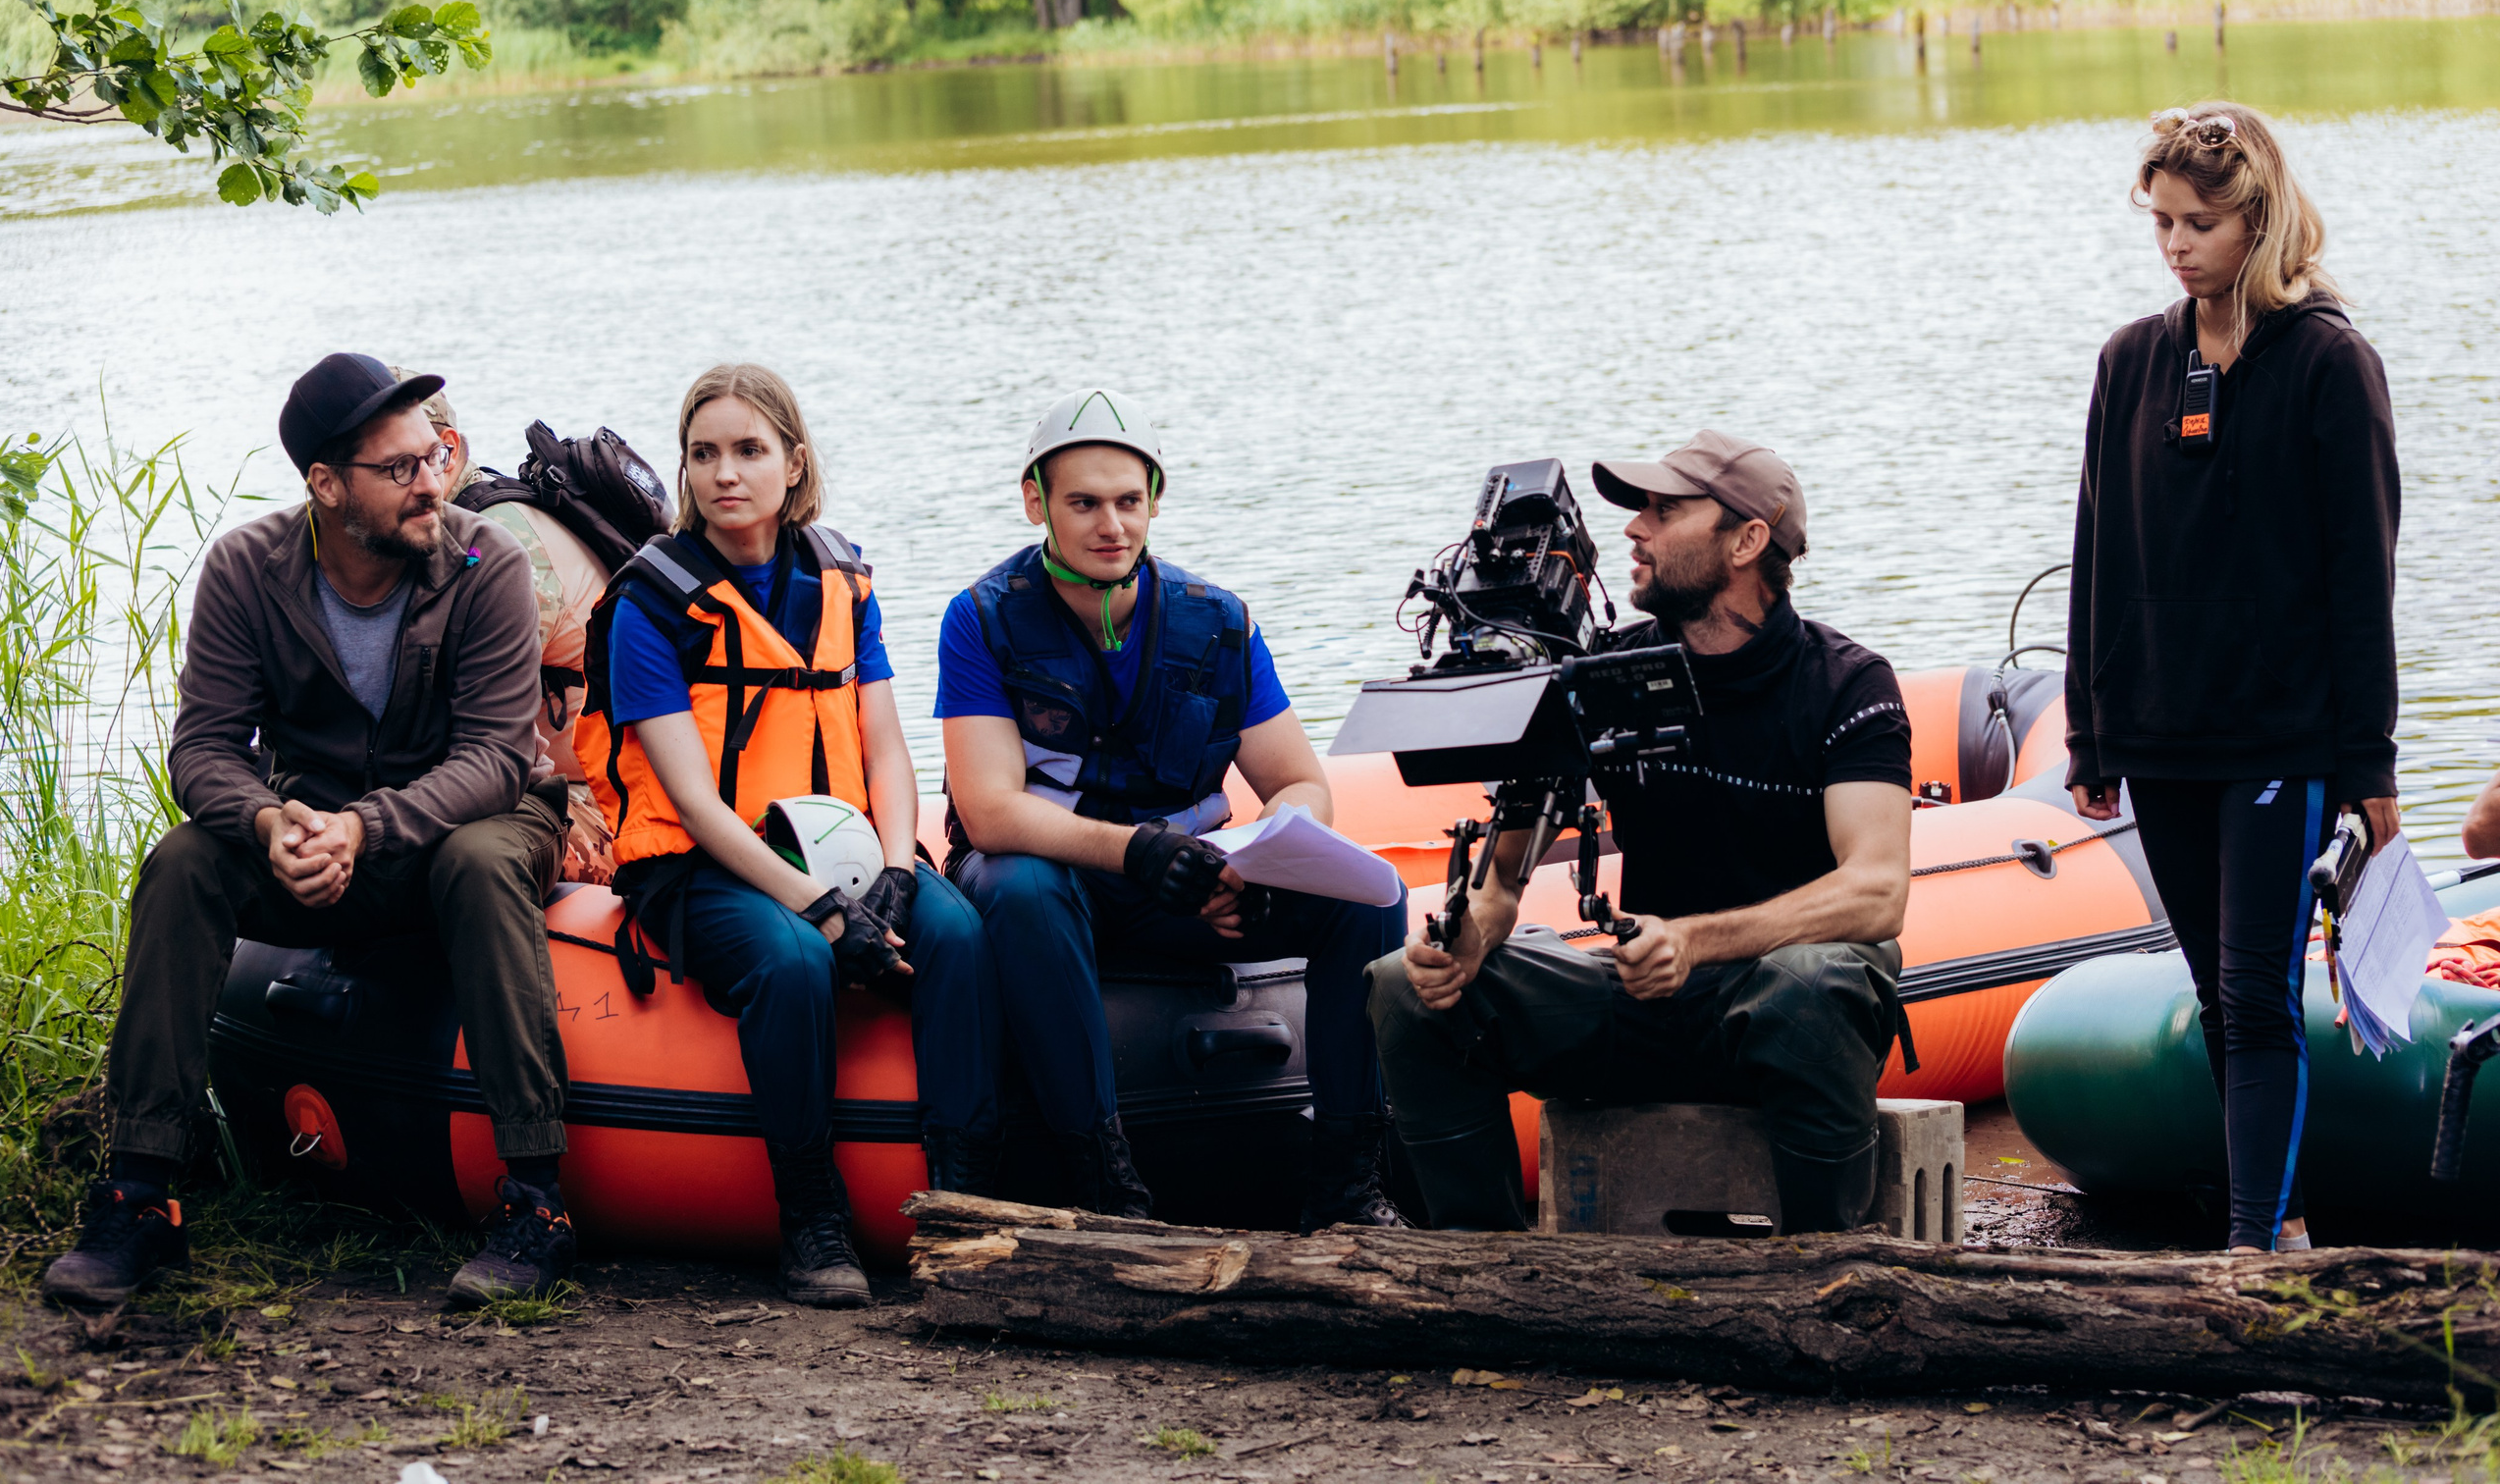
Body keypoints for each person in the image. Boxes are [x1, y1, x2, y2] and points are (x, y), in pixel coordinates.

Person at [44, 353, 578, 1310]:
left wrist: (363, 827)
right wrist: (268, 821)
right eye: (400, 468)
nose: (432, 483)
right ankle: (140, 1194)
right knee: (183, 862)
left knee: (479, 860)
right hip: (315, 829)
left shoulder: (483, 563)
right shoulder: (247, 569)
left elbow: (497, 755)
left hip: (472, 822)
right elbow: (204, 746)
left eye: (435, 456)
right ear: (327, 485)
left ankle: (535, 1200)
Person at [1366, 432, 1914, 1234]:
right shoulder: (1609, 671)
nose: (1634, 528)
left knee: (1811, 982)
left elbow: (1878, 891)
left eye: (1664, 510)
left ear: (1746, 540)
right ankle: (1484, 1271)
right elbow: (1504, 878)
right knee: (1401, 986)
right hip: (1643, 1001)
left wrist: (1692, 939)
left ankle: (1823, 1269)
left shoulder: (1848, 683)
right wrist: (1468, 936)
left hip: (1782, 1011)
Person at [573, 363, 1000, 1307]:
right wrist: (822, 909)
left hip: (839, 845)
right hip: (702, 864)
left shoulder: (842, 579)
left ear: (794, 462)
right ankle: (812, 1218)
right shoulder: (650, 604)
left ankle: (963, 1203)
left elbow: (885, 749)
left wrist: (897, 870)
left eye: (749, 450)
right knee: (795, 958)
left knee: (959, 931)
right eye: (703, 454)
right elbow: (693, 802)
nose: (725, 473)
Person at [937, 389, 1407, 1231]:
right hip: (1063, 880)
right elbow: (989, 811)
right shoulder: (980, 618)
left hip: (1186, 884)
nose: (1111, 525)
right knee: (1018, 885)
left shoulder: (1220, 622)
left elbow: (1302, 784)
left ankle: (1348, 1185)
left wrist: (1255, 867)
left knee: (1371, 896)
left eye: (1129, 500)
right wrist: (1138, 851)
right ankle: (1105, 1182)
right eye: (1084, 503)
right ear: (1037, 502)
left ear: (1155, 500)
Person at [2065, 101, 2400, 1256]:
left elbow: (2362, 577)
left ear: (2258, 220)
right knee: (2218, 993)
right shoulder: (2130, 361)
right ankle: (2279, 1216)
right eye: (2160, 222)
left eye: (2197, 223)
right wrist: (2089, 734)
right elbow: (2096, 555)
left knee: (2259, 992)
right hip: (2159, 732)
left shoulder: (2328, 363)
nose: (2174, 245)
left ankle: (2252, 1249)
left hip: (2280, 737)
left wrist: (2368, 765)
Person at [405, 375, 619, 883]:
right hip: (537, 786)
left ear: (446, 452)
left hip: (599, 804)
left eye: (399, 462)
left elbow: (462, 720)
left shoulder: (504, 538)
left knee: (441, 850)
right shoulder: (457, 523)